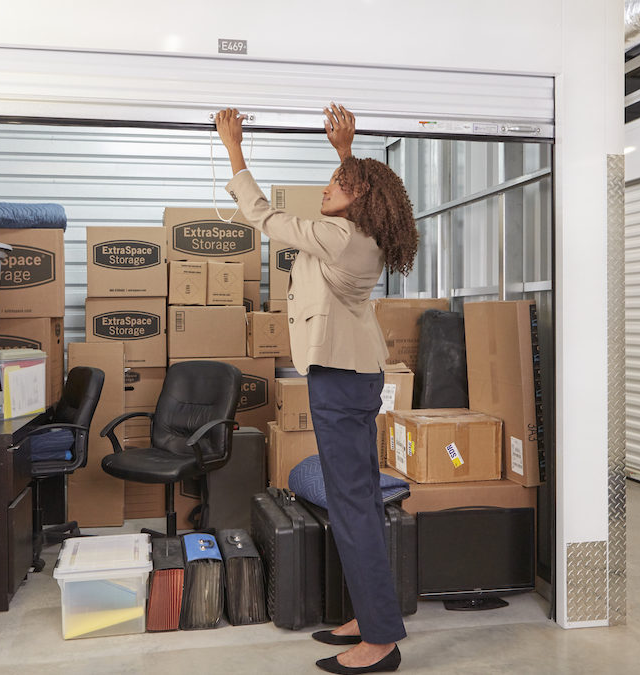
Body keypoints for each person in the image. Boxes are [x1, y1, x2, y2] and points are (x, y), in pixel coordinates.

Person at [215, 105, 418, 675]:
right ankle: (369, 615)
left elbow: (262, 214)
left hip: (341, 379)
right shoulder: (361, 230)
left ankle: (380, 641)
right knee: (355, 504)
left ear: (357, 198)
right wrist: (345, 153)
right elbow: (358, 191)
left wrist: (234, 146)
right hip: (349, 375)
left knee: (352, 505)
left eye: (336, 184)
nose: (326, 189)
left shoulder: (338, 236)